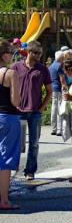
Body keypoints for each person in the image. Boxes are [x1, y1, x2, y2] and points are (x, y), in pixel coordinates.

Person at [11, 41, 52, 180]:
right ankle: (12, 171)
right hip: (19, 111)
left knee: (34, 144)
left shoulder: (42, 69)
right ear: (28, 52)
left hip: (35, 112)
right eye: (36, 53)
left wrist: (42, 108)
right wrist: (13, 104)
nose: (39, 56)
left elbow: (49, 91)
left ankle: (30, 171)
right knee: (16, 143)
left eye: (40, 53)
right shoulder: (16, 67)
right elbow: (8, 87)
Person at [0, 40, 21, 210]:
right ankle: (4, 200)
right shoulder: (10, 73)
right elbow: (15, 101)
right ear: (4, 54)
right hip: (8, 117)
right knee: (5, 159)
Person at [49, 50, 65, 136]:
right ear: (61, 58)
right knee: (59, 109)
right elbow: (62, 78)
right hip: (58, 88)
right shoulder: (59, 66)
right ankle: (59, 129)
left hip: (52, 88)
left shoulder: (51, 66)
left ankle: (53, 128)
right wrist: (65, 87)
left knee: (53, 108)